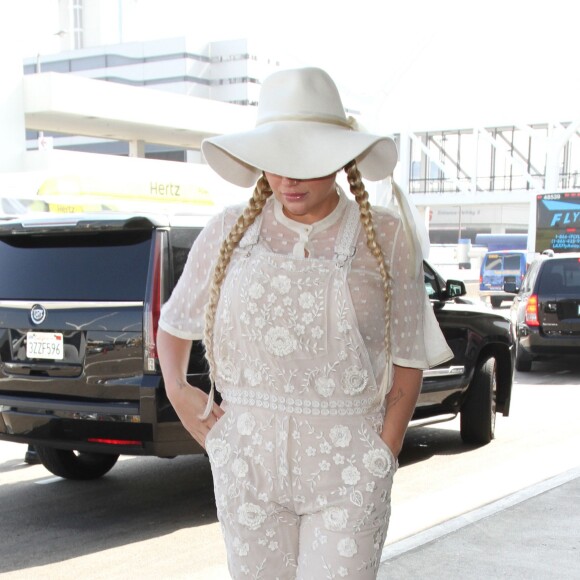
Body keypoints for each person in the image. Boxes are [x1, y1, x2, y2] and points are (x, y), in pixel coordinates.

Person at [157, 67, 452, 579]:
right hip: (247, 465)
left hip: (349, 467)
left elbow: (408, 355)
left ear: (339, 159)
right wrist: (180, 392)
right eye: (276, 161)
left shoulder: (384, 235)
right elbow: (175, 324)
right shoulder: (228, 231)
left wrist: (385, 450)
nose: (288, 179)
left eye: (305, 161)